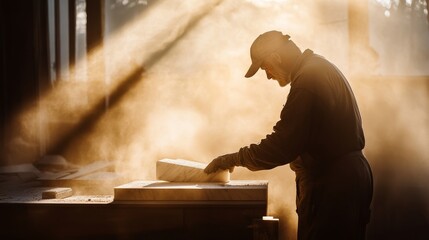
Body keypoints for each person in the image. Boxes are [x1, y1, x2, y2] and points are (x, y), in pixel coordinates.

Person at [204, 31, 373, 240]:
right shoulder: (318, 67)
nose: (268, 76)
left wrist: (232, 159)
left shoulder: (307, 81)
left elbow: (281, 146)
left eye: (266, 68)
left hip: (332, 186)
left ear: (276, 58)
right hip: (347, 179)